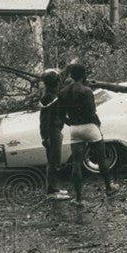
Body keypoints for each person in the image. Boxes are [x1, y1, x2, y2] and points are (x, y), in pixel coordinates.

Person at [57, 62, 119, 205]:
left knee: (77, 163)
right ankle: (109, 188)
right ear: (84, 76)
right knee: (102, 159)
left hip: (74, 129)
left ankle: (78, 198)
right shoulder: (86, 91)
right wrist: (97, 125)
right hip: (90, 127)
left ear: (71, 76)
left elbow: (61, 115)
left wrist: (71, 123)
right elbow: (92, 113)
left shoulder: (63, 92)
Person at [38, 69, 70, 200]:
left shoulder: (53, 96)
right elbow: (44, 119)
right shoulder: (50, 98)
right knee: (54, 161)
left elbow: (61, 115)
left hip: (55, 130)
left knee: (54, 160)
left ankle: (54, 188)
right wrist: (45, 137)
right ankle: (52, 191)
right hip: (52, 131)